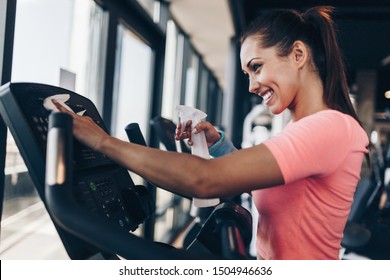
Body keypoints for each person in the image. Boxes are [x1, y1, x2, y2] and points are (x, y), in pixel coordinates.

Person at [53, 6, 369, 260]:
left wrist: (102, 141)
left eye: (256, 67)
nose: (251, 86)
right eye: (247, 73)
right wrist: (217, 145)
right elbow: (261, 179)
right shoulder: (306, 128)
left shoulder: (329, 128)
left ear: (298, 55)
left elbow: (205, 179)